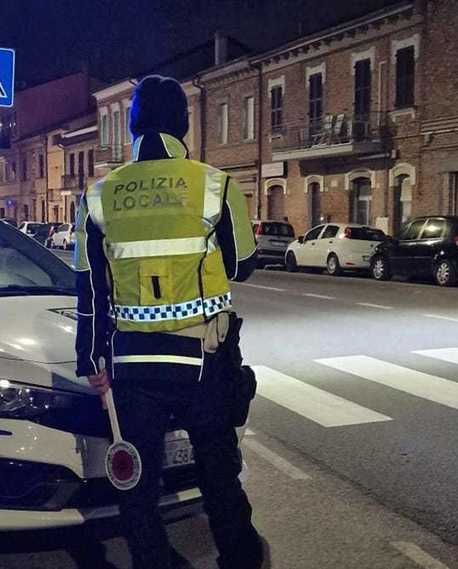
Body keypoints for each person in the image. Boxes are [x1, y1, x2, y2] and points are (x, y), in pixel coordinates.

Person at [73, 75, 266, 569]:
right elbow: (242, 263)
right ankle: (239, 559)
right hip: (203, 360)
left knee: (137, 484)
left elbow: (89, 287)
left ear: (133, 126)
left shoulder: (98, 196)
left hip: (132, 366)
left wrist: (91, 357)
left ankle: (154, 562)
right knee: (218, 471)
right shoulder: (214, 184)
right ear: (183, 124)